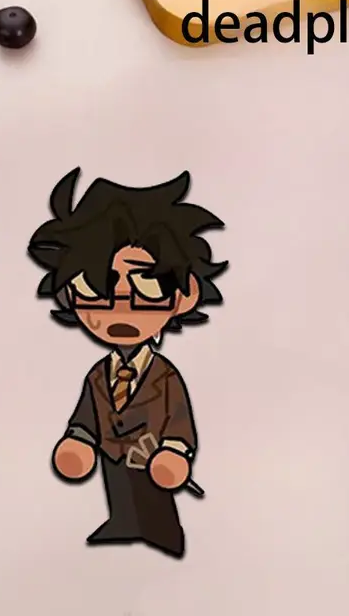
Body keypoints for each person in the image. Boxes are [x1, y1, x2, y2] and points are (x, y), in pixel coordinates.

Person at [27, 167, 227, 558]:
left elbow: (179, 421)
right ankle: (122, 523)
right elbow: (86, 416)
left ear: (184, 295)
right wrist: (79, 442)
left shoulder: (164, 377)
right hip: (113, 462)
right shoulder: (99, 376)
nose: (120, 307)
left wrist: (175, 451)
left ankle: (160, 534)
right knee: (121, 497)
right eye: (95, 291)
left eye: (144, 289)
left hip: (151, 463)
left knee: (153, 508)